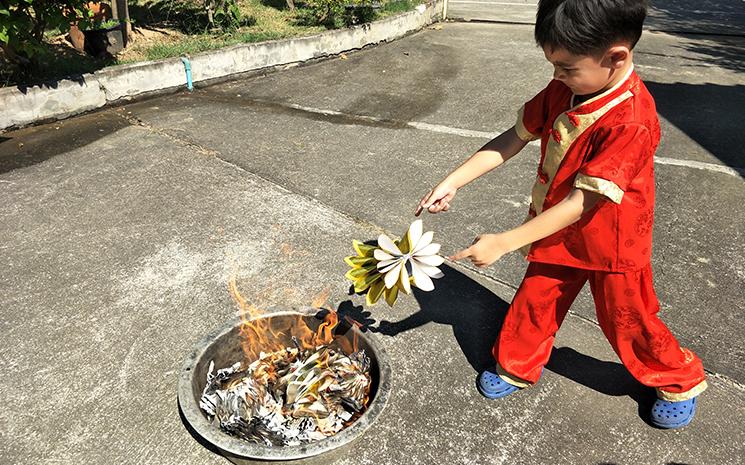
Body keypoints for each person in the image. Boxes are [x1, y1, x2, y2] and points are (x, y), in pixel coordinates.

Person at [415, 0, 706, 429]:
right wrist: (455, 179)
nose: (556, 76)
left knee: (629, 319)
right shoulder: (566, 89)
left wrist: (504, 241)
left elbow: (583, 203)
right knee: (536, 298)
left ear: (616, 57)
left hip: (614, 243)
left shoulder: (631, 120)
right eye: (553, 64)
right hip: (556, 228)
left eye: (566, 67)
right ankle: (516, 363)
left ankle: (678, 378)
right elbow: (514, 137)